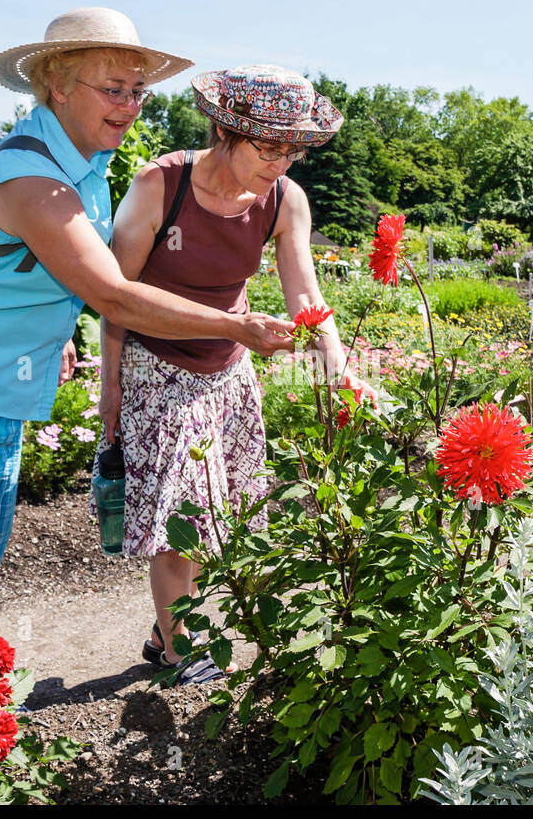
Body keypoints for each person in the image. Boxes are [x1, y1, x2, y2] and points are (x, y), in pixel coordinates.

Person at [0, 10, 295, 648]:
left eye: (137, 91)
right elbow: (112, 294)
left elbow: (45, 268)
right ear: (57, 86)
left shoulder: (80, 163)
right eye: (112, 89)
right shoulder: (36, 178)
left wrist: (56, 329)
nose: (129, 107)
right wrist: (239, 327)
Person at [100, 65, 376, 685]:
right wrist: (111, 386)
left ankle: (165, 628)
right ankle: (179, 653)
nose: (281, 162)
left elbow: (305, 291)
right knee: (181, 524)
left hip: (229, 371)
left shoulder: (284, 200)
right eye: (269, 146)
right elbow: (115, 297)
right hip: (158, 367)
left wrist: (340, 369)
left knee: (223, 519)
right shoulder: (159, 187)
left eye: (293, 149)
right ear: (225, 130)